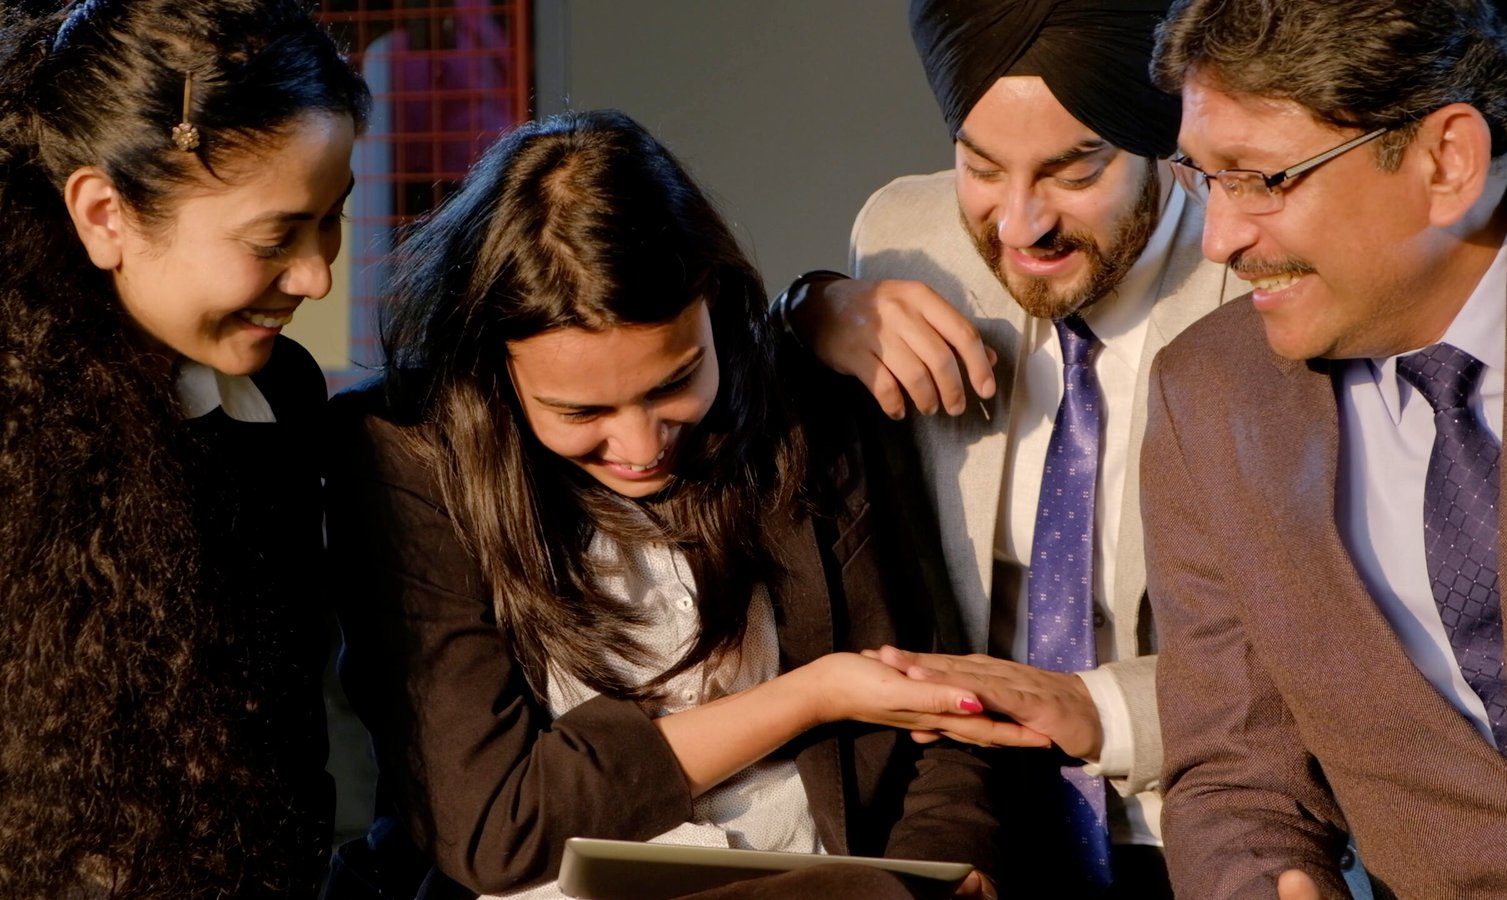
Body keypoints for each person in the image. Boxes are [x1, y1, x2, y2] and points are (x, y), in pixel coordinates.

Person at [322, 110, 1018, 900]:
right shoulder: (406, 456)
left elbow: (936, 713)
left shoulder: (806, 405)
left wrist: (952, 867)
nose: (641, 444)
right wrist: (811, 694)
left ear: (712, 304)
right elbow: (496, 829)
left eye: (673, 384)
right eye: (580, 415)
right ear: (495, 371)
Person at [776, 0, 1241, 894]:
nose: (1021, 226)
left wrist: (1101, 709)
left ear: (1163, 140)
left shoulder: (1253, 274)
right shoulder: (902, 239)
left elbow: (1324, 646)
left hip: (1199, 814)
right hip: (965, 819)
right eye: (982, 167)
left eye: (1074, 172)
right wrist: (807, 313)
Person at [1140, 0, 1507, 896]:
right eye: (1205, 178)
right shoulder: (1207, 392)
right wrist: (1257, 881)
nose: (1219, 239)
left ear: (1446, 160)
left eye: (1262, 179)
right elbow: (1237, 777)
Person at [0, 1, 369, 897]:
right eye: (274, 237)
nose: (317, 274)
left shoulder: (278, 393)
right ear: (105, 213)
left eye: (330, 219)